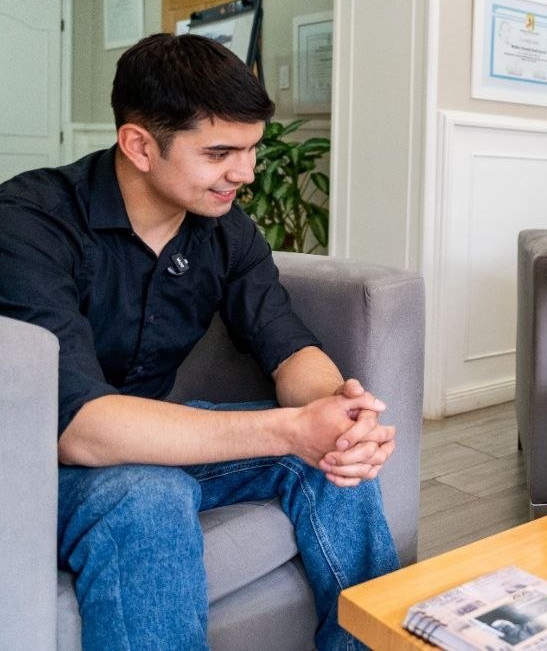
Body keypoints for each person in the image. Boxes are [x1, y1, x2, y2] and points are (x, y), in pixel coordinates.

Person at [0, 34, 399, 650]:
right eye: (219, 153)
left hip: (147, 438)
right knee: (148, 493)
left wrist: (335, 414)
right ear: (139, 145)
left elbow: (286, 343)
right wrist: (289, 429)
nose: (245, 173)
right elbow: (80, 428)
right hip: (29, 462)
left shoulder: (224, 229)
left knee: (330, 458)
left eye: (251, 149)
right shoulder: (31, 221)